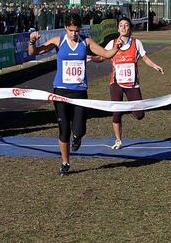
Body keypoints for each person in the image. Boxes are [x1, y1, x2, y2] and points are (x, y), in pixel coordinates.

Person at [28, 12, 123, 176]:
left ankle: (77, 137)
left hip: (79, 92)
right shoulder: (59, 41)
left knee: (79, 129)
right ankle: (65, 163)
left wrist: (117, 47)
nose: (74, 34)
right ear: (66, 28)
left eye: (77, 30)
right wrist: (31, 41)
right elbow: (34, 52)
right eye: (71, 30)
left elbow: (106, 54)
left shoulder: (86, 42)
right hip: (61, 92)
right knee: (63, 129)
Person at [91, 17, 164, 150]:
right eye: (121, 25)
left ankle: (132, 106)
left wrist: (155, 66)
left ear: (130, 28)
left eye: (126, 25)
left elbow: (145, 58)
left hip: (132, 84)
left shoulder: (137, 43)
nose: (124, 28)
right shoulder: (112, 43)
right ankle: (118, 140)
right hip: (116, 82)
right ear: (118, 28)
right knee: (116, 112)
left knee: (139, 115)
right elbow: (102, 57)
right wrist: (91, 58)